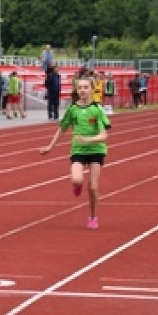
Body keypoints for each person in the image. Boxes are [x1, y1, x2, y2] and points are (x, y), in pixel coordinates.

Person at [39, 77, 110, 230]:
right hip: (78, 150)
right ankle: (77, 186)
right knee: (77, 180)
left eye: (86, 87)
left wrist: (88, 139)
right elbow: (62, 129)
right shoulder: (73, 109)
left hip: (96, 150)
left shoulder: (97, 109)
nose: (83, 90)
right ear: (77, 90)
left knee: (92, 187)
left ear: (92, 89)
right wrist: (50, 146)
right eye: (80, 88)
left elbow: (104, 136)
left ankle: (93, 217)